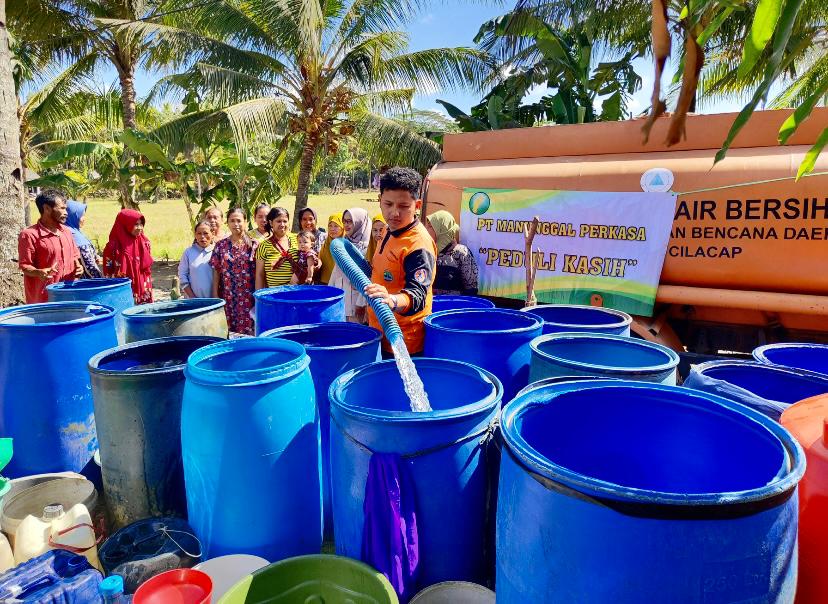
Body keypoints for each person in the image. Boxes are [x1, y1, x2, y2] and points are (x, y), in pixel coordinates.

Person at [365, 168, 436, 355]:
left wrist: (391, 300)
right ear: (380, 200)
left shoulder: (418, 244)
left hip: (404, 342)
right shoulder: (387, 229)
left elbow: (417, 295)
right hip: (379, 334)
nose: (394, 213)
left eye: (403, 206)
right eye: (388, 204)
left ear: (417, 205)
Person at [18, 189, 83, 303]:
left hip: (70, 296)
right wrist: (39, 272)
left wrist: (78, 267)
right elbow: (25, 266)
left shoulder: (66, 232)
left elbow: (74, 256)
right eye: (62, 208)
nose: (66, 213)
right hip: (45, 300)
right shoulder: (29, 235)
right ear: (47, 208)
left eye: (66, 208)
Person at [211, 208, 256, 335]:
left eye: (239, 221)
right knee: (229, 333)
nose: (236, 224)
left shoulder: (253, 245)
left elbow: (260, 273)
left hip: (249, 298)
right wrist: (215, 294)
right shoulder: (220, 245)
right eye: (232, 221)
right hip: (228, 296)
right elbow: (216, 271)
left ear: (246, 222)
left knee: (250, 333)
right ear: (227, 223)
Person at [102, 209, 154, 304]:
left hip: (143, 291)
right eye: (136, 224)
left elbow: (147, 270)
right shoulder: (113, 247)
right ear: (125, 225)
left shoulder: (145, 243)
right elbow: (108, 272)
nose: (140, 228)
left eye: (141, 224)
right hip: (123, 291)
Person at [328, 208, 370, 323]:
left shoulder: (368, 248)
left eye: (350, 221)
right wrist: (330, 294)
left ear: (360, 223)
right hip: (341, 302)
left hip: (357, 304)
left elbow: (368, 278)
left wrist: (361, 303)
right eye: (345, 221)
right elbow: (336, 272)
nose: (346, 225)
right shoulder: (341, 245)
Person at [425, 210, 479, 296]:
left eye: (430, 226)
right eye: (427, 226)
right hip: (431, 303)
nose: (426, 229)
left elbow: (471, 289)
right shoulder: (425, 252)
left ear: (442, 230)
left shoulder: (461, 253)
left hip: (453, 303)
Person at [255, 207, 299, 289]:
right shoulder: (263, 246)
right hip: (275, 294)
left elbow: (309, 256)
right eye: (278, 221)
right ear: (271, 223)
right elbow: (259, 275)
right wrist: (258, 295)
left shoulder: (298, 239)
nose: (282, 224)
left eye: (285, 221)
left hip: (298, 292)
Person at [65, 200, 102, 279]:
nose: (84, 219)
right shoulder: (76, 237)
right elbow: (91, 268)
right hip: (87, 282)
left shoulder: (71, 231)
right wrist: (101, 281)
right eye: (81, 216)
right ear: (73, 216)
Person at [178, 220, 214, 298]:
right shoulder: (188, 252)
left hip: (214, 300)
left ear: (212, 234)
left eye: (205, 233)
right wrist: (192, 297)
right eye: (199, 233)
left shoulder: (216, 252)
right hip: (193, 300)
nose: (202, 236)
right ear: (195, 235)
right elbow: (182, 275)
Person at [317, 214, 343, 285]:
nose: (332, 229)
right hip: (324, 283)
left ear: (342, 227)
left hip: (342, 283)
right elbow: (320, 259)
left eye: (336, 226)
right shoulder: (326, 243)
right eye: (330, 226)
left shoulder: (346, 244)